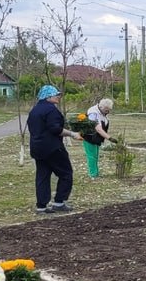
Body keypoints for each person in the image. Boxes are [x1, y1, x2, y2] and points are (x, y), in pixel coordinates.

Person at [27, 84, 82, 213]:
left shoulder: (34, 110)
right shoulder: (51, 110)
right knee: (66, 173)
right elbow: (55, 129)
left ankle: (41, 206)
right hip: (53, 148)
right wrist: (72, 134)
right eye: (56, 95)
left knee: (42, 176)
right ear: (48, 96)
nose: (58, 97)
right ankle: (59, 202)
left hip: (37, 148)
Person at [81, 98, 114, 179]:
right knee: (91, 156)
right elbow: (97, 128)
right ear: (101, 107)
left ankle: (96, 173)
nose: (108, 112)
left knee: (95, 156)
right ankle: (93, 174)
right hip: (89, 137)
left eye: (109, 110)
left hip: (96, 138)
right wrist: (109, 138)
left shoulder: (102, 112)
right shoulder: (93, 112)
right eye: (107, 110)